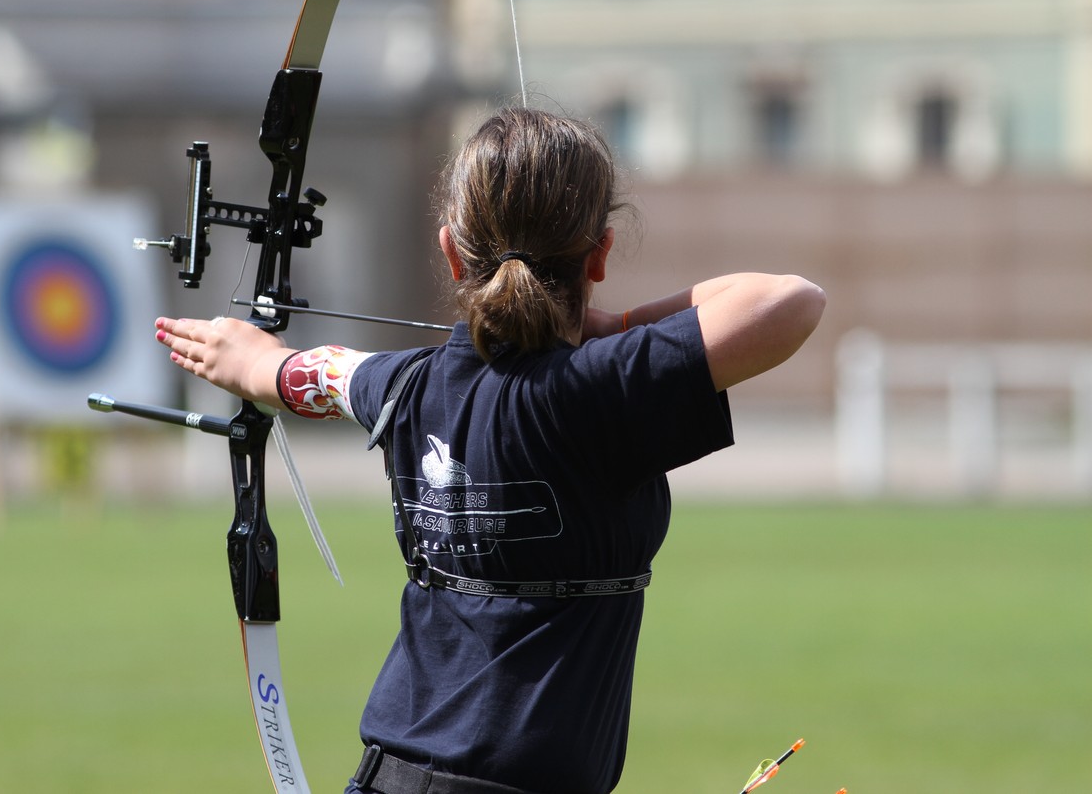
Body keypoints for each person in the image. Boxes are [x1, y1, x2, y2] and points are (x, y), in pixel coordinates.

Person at [154, 107, 826, 794]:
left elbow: (317, 373)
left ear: (450, 252)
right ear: (599, 253)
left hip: (391, 775)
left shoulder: (406, 386)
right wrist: (615, 324)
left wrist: (255, 360)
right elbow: (789, 301)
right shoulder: (597, 390)